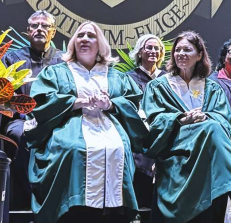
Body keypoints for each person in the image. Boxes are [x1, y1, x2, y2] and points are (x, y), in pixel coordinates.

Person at [26, 21, 146, 223]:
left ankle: (113, 213)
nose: (85, 39)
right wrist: (75, 102)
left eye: (91, 36)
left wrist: (110, 104)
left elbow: (132, 103)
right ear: (73, 42)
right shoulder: (57, 72)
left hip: (109, 125)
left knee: (118, 147)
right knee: (73, 148)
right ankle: (72, 211)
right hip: (69, 124)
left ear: (100, 44)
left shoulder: (115, 76)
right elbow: (42, 102)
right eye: (80, 35)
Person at [142, 30, 231, 223]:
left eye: (187, 50)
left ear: (199, 55)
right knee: (212, 127)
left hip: (206, 148)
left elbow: (225, 120)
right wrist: (181, 119)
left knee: (213, 126)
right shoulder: (158, 86)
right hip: (175, 146)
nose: (181, 54)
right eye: (178, 50)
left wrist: (206, 116)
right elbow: (154, 121)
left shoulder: (212, 88)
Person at [2, 10, 65, 210]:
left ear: (53, 32)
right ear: (28, 31)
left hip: (57, 119)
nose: (39, 29)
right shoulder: (13, 59)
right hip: (21, 119)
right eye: (34, 25)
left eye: (45, 26)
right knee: (18, 134)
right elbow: (4, 95)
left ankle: (58, 202)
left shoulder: (64, 61)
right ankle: (23, 203)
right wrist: (24, 115)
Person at [126, 34, 167, 209]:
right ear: (139, 52)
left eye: (157, 48)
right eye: (148, 47)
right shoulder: (129, 77)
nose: (153, 51)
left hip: (165, 131)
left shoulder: (168, 78)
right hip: (140, 133)